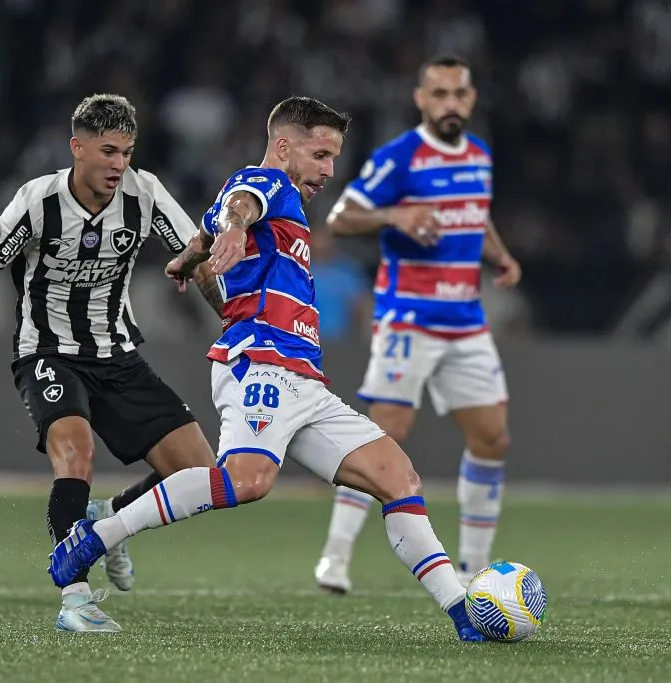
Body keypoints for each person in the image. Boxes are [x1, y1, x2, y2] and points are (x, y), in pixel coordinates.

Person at [48, 95, 485, 642]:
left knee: (398, 478)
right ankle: (98, 535)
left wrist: (192, 254)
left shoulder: (282, 206)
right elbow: (241, 202)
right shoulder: (268, 183)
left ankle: (465, 613)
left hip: (304, 378)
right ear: (284, 146)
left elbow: (211, 226)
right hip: (261, 364)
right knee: (246, 481)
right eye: (321, 154)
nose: (329, 169)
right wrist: (231, 229)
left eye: (333, 157)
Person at [0, 93, 217, 633]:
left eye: (127, 152)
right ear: (78, 148)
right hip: (46, 353)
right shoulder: (37, 201)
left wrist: (231, 321)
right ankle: (75, 598)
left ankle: (109, 520)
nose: (119, 164)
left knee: (200, 473)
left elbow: (197, 259)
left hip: (117, 354)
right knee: (77, 453)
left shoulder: (145, 193)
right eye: (109, 151)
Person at [316, 54, 521, 593]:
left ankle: (474, 568)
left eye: (459, 94)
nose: (450, 103)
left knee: (492, 438)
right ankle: (334, 558)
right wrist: (395, 215)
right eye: (439, 94)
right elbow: (342, 217)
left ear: (471, 99)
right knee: (384, 437)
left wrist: (499, 255)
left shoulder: (478, 155)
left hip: (466, 322)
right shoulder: (400, 157)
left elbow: (475, 216)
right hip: (408, 317)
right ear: (421, 99)